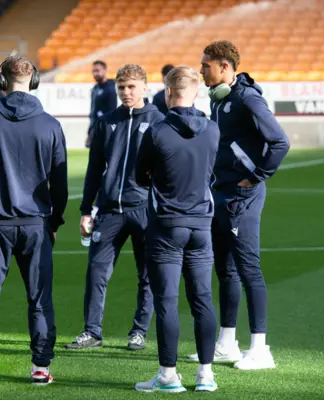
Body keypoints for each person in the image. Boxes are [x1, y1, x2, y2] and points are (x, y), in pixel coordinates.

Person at [0, 56, 68, 388]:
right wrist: (55, 221)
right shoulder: (51, 124)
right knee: (40, 298)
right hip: (36, 224)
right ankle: (40, 367)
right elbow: (60, 183)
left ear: (0, 80)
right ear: (33, 80)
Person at [188, 40, 290, 370]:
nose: (201, 70)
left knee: (249, 270)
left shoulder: (247, 98)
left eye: (206, 65)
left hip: (242, 196)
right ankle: (227, 344)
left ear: (225, 67)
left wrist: (257, 175)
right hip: (221, 193)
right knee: (226, 270)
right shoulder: (219, 100)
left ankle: (260, 349)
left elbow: (280, 141)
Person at [65, 64, 164, 351]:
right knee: (97, 271)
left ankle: (139, 331)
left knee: (147, 274)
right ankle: (92, 331)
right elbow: (95, 168)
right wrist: (86, 209)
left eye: (132, 87)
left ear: (145, 87)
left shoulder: (159, 121)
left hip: (144, 210)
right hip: (108, 211)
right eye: (122, 87)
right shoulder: (107, 121)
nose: (126, 92)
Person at [134, 66, 220, 393]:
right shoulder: (212, 130)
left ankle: (168, 376)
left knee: (167, 301)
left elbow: (140, 176)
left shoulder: (156, 132)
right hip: (201, 225)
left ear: (167, 92)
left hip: (167, 225)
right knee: (202, 299)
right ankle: (206, 375)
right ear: (196, 92)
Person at [86, 60, 117, 147]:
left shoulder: (111, 88)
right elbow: (93, 112)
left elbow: (112, 111)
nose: (95, 73)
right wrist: (89, 131)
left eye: (97, 70)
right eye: (93, 71)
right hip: (95, 128)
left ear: (104, 71)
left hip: (106, 129)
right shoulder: (95, 89)